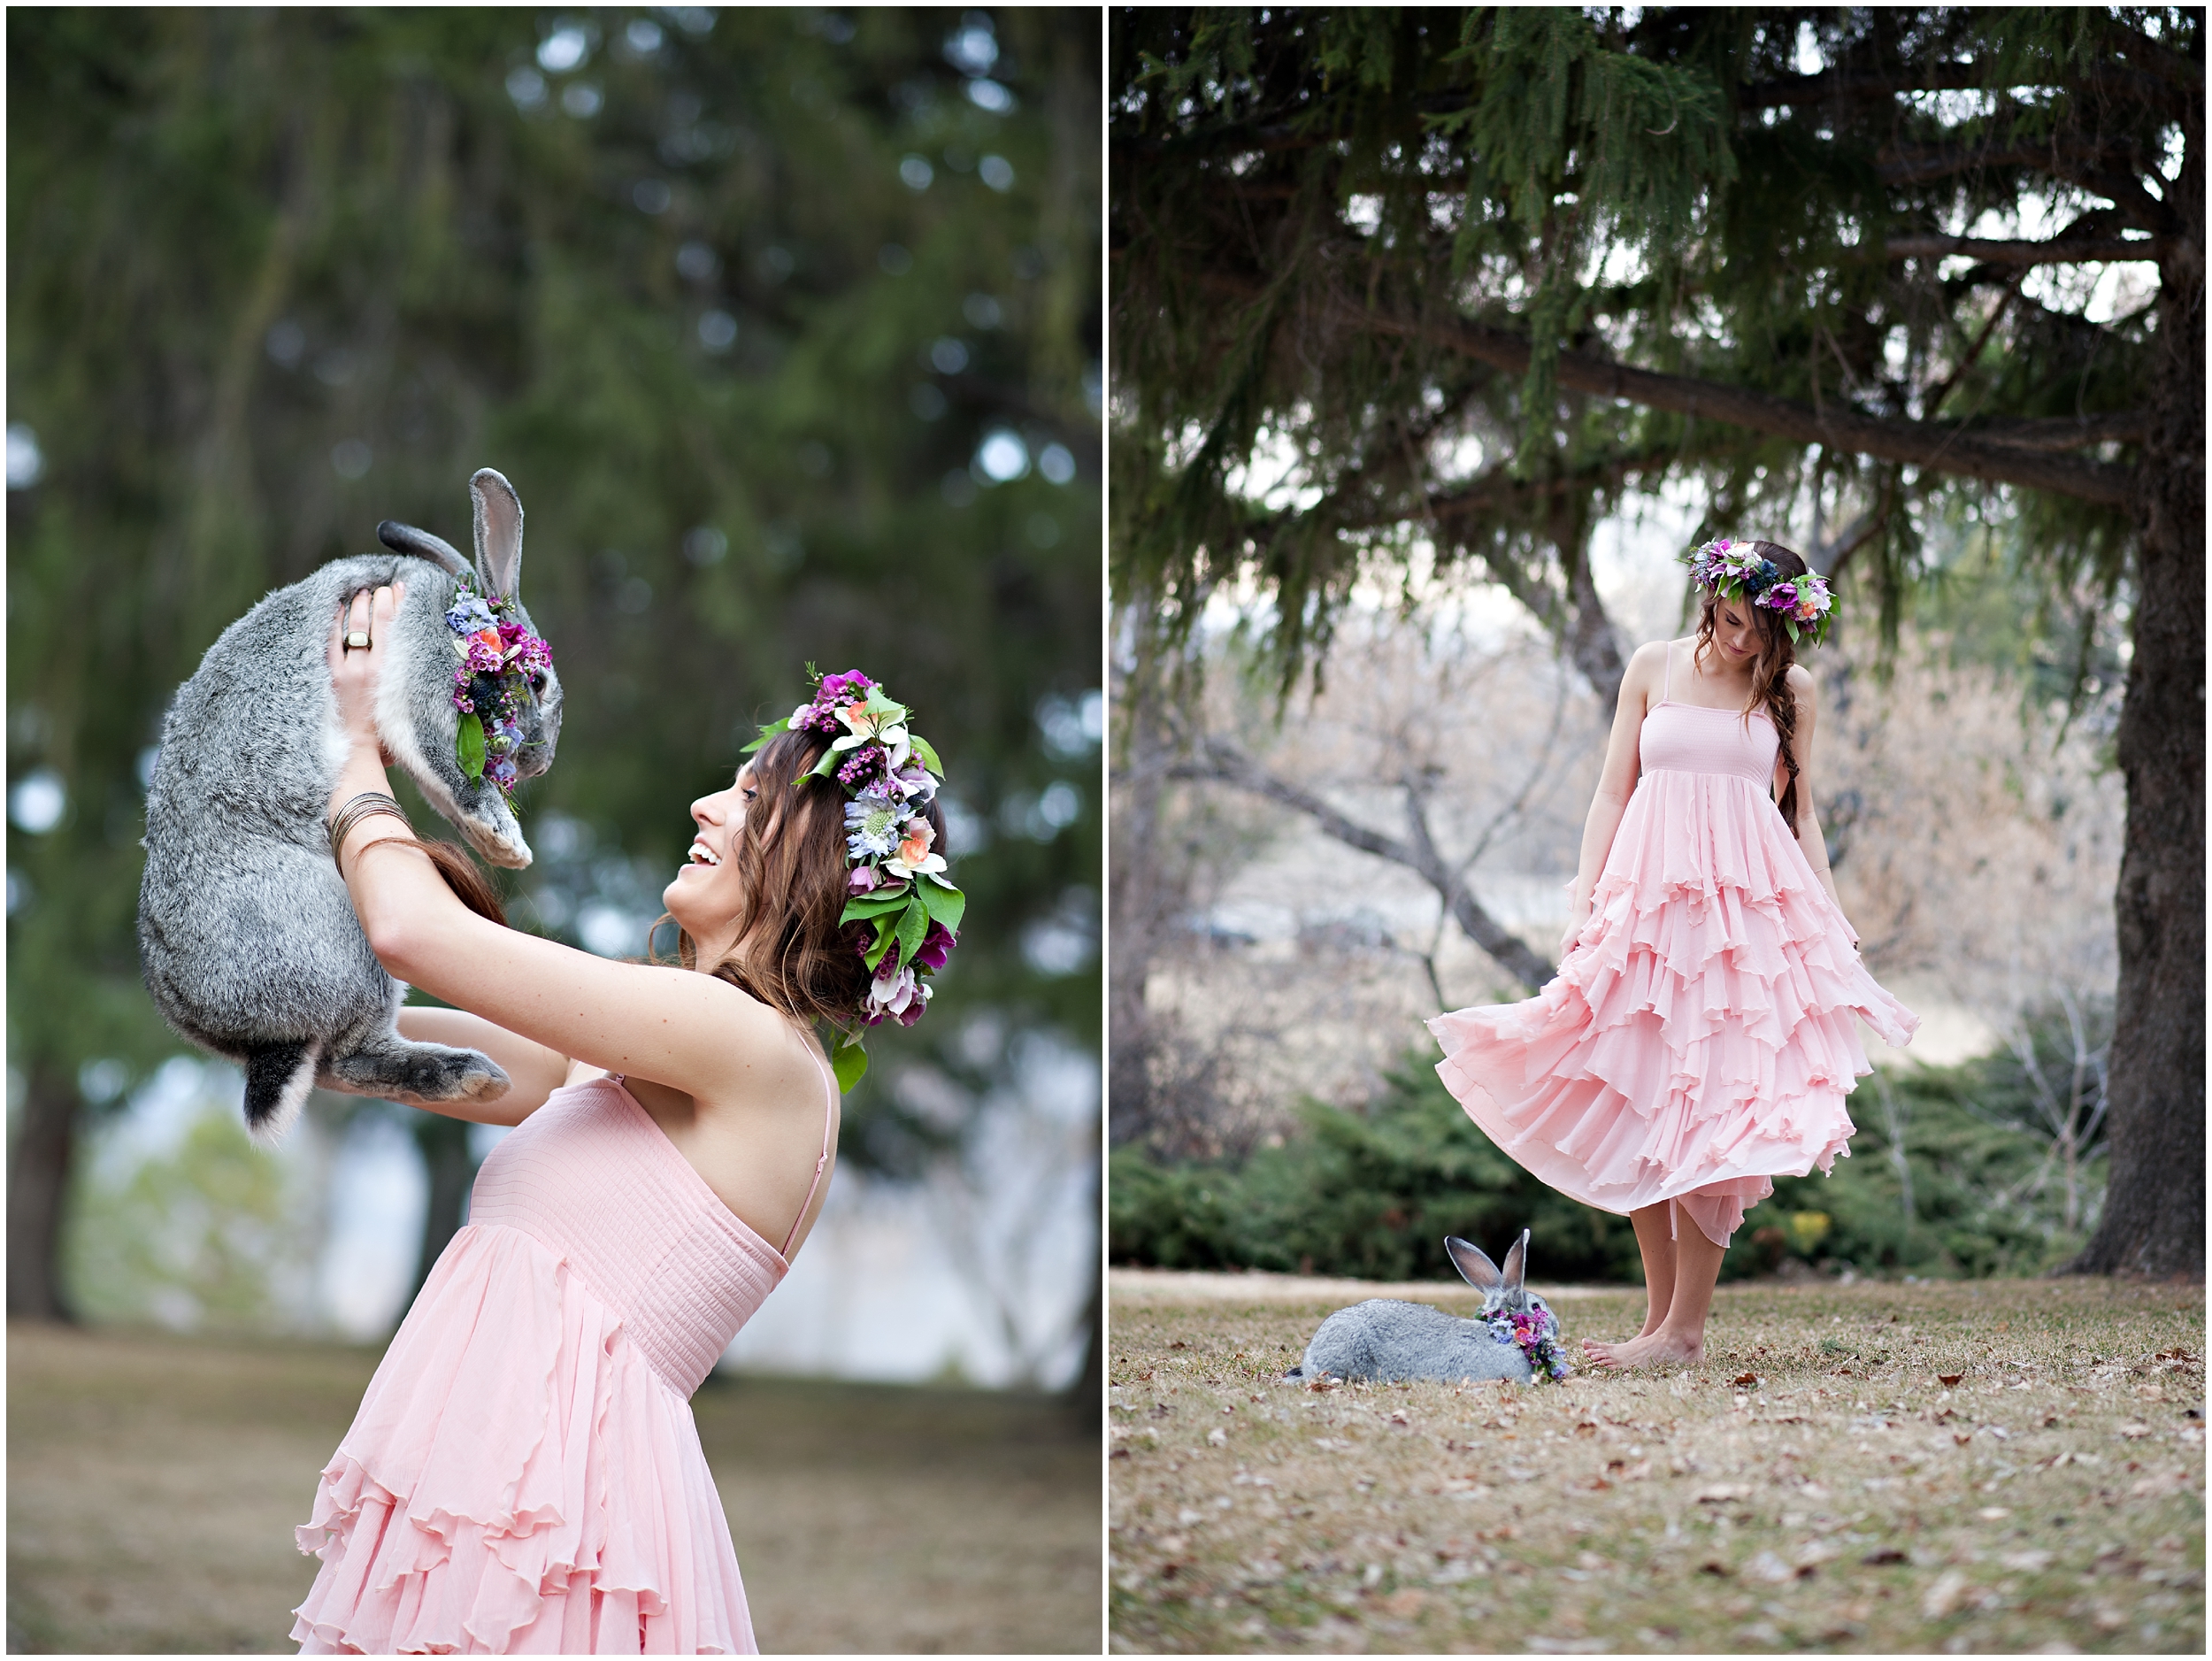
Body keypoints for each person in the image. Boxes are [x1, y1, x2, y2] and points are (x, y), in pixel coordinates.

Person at [293, 583, 959, 1653]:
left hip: (562, 1516)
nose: (706, 806)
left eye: (748, 797)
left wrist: (355, 736)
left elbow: (411, 929)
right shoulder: (663, 1055)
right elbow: (413, 1055)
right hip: (514, 1492)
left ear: (817, 857)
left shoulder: (753, 1051)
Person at [1427, 538, 1916, 1372]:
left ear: (1786, 628)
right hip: (1646, 913)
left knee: (1713, 1114)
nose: (1740, 642)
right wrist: (1586, 905)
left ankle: (1686, 1332)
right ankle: (1662, 1328)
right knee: (1641, 1103)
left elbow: (1801, 816)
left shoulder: (1791, 691)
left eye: (1759, 630)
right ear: (1711, 601)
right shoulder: (1653, 666)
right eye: (1730, 621)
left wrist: (1830, 916)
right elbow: (1613, 790)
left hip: (1739, 925)